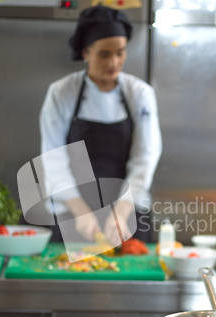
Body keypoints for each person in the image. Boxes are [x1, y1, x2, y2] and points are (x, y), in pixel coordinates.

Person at [40, 5, 162, 245]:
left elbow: (145, 156)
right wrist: (80, 211)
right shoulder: (62, 93)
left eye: (120, 52)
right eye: (104, 54)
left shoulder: (139, 94)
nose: (114, 62)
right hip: (72, 211)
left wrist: (123, 210)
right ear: (86, 52)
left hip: (127, 208)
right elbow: (53, 157)